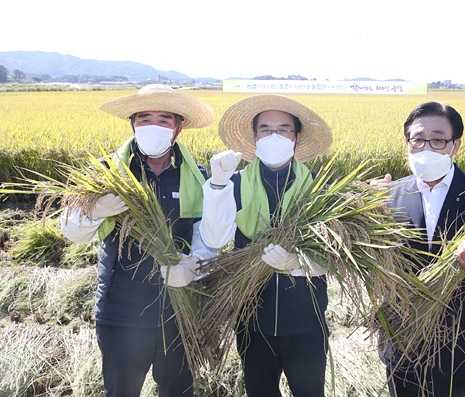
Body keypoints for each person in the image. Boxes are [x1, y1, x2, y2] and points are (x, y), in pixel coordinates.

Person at [60, 84, 217, 397]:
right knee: (121, 392)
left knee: (179, 391)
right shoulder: (106, 173)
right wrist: (92, 212)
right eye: (145, 118)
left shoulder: (196, 176)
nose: (153, 126)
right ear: (132, 123)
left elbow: (208, 237)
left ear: (178, 127)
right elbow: (70, 232)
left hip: (178, 310)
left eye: (163, 119)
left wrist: (193, 265)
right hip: (121, 310)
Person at [371, 101, 465, 397]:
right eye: (417, 139)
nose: (426, 148)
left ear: (455, 145)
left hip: (464, 348)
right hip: (403, 345)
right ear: (407, 143)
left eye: (438, 140)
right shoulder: (386, 197)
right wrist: (361, 212)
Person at [199, 94, 333, 396]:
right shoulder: (234, 183)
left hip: (306, 322)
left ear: (296, 138)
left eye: (283, 129)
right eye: (266, 129)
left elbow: (333, 255)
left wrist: (299, 263)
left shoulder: (318, 188)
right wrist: (218, 186)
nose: (275, 136)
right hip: (252, 323)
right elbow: (215, 238)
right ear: (255, 137)